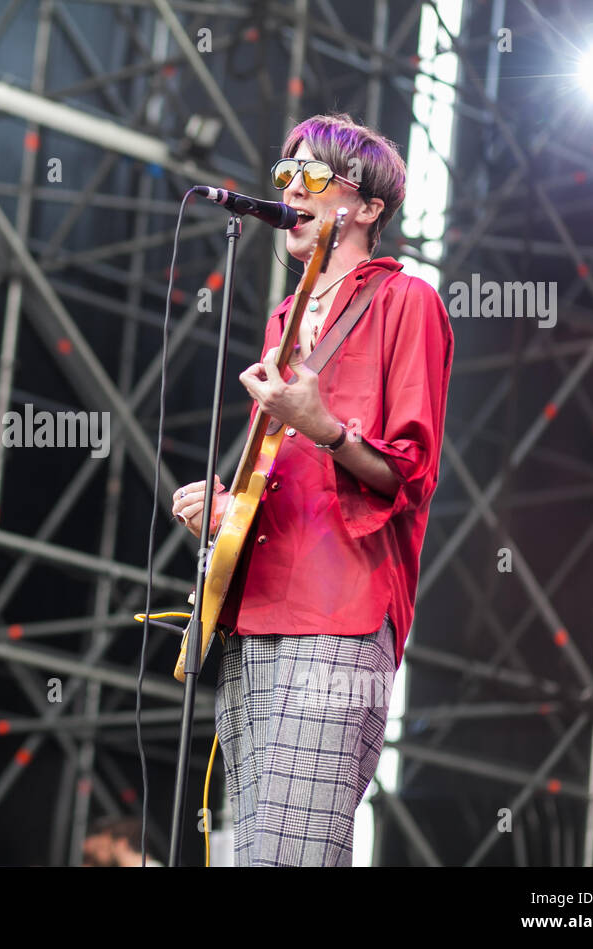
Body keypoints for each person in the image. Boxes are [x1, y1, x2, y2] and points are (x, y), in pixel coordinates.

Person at [171, 113, 453, 866]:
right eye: (285, 173)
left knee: (292, 855)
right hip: (253, 610)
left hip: (339, 615)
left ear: (366, 208)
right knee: (252, 851)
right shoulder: (281, 323)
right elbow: (287, 484)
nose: (292, 188)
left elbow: (411, 473)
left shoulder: (407, 303)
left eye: (316, 176)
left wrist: (327, 428)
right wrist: (231, 512)